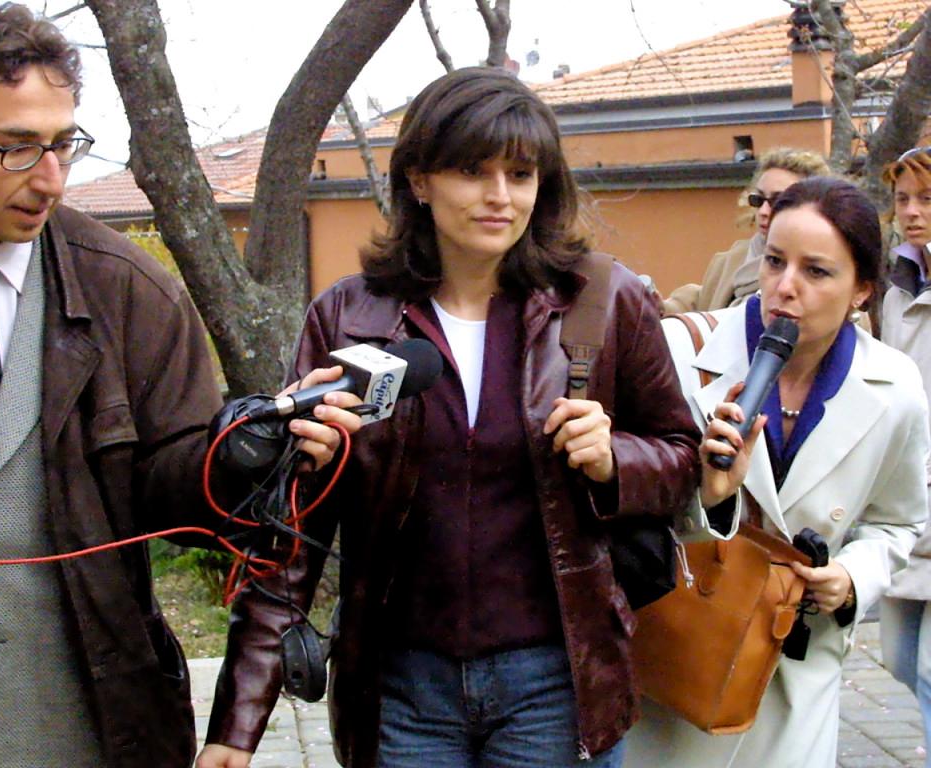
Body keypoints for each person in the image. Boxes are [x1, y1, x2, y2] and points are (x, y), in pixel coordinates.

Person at [197, 67, 701, 768]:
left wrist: (617, 457)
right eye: (472, 171)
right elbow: (293, 525)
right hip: (400, 689)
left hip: (555, 684)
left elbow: (683, 454)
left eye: (520, 175)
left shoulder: (602, 299)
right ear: (419, 180)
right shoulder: (349, 316)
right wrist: (237, 721)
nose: (500, 196)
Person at [0, 3, 358, 767]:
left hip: (77, 712)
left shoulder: (130, 290)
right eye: (17, 148)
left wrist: (247, 456)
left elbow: (179, 500)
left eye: (63, 144)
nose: (50, 178)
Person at [626, 176, 929, 768]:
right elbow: (618, 502)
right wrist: (708, 496)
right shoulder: (676, 352)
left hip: (797, 666)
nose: (785, 287)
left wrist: (852, 577)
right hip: (677, 659)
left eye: (816, 271)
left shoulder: (895, 388)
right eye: (774, 261)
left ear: (862, 289)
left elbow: (897, 523)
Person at [877, 144, 931, 766]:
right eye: (902, 200)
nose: (912, 213)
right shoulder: (895, 290)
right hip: (905, 505)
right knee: (899, 659)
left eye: (927, 200)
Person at [662, 148, 829, 315]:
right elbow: (703, 301)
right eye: (759, 200)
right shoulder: (730, 260)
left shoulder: (821, 268)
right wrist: (662, 308)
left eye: (778, 201)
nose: (763, 211)